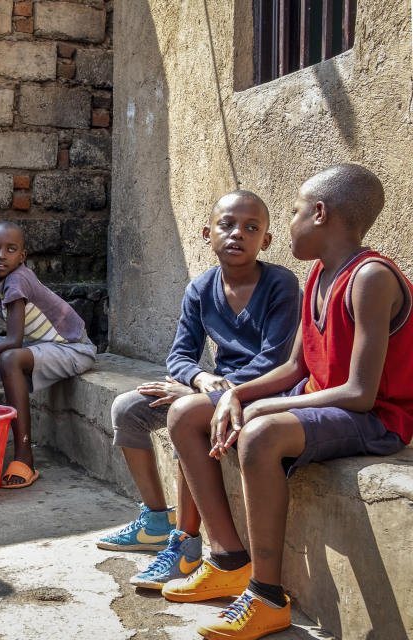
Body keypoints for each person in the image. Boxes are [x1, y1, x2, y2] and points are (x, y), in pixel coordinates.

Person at [163, 164, 411, 639]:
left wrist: (259, 408)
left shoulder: (370, 278)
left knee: (258, 434)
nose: (291, 220)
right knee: (186, 412)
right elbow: (295, 370)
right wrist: (233, 393)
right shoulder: (318, 273)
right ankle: (230, 559)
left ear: (319, 214)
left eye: (295, 211)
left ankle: (266, 595)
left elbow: (361, 395)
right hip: (319, 402)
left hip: (378, 419)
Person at [96, 191, 300, 592]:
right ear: (208, 233)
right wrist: (201, 381)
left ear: (267, 241)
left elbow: (275, 361)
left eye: (252, 228)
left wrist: (210, 394)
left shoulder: (281, 284)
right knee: (128, 407)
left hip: (263, 392)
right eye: (227, 225)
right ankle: (156, 519)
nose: (237, 234)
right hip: (214, 387)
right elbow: (180, 356)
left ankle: (185, 545)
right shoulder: (201, 288)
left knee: (186, 415)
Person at [0, 221, 98, 488]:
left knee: (8, 358)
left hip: (74, 349)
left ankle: (24, 458)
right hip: (39, 344)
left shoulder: (18, 280)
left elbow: (13, 341)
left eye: (10, 249)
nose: (1, 255)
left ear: (22, 256)